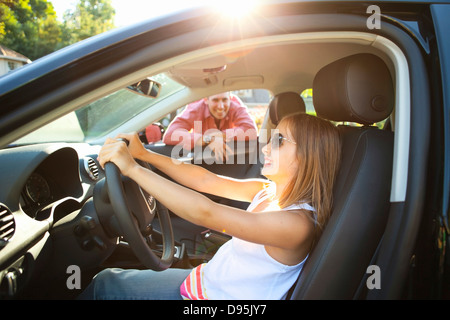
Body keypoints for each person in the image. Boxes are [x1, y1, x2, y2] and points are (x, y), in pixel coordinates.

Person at [79, 112, 341, 300]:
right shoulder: (268, 192)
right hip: (208, 282)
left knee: (105, 287)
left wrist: (133, 169)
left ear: (309, 155)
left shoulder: (296, 225)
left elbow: (206, 212)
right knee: (108, 280)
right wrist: (145, 155)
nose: (267, 147)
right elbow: (206, 180)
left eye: (280, 141)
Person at [162, 92, 257, 161]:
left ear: (230, 98)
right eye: (215, 100)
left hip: (229, 159)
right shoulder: (196, 108)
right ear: (206, 100)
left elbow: (251, 130)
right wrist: (208, 139)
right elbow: (170, 135)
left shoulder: (235, 106)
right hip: (201, 158)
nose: (221, 106)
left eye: (224, 100)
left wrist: (221, 135)